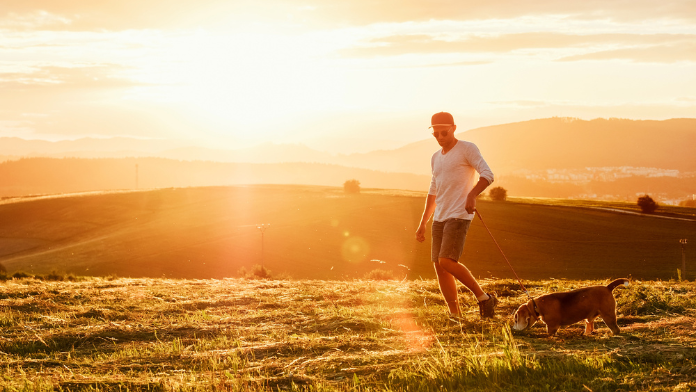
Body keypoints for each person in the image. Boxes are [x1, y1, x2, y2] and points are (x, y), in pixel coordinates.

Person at [415, 112, 498, 319]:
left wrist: (472, 194)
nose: (440, 136)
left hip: (459, 214)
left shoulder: (467, 149)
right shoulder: (435, 157)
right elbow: (433, 191)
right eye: (436, 133)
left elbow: (487, 174)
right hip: (440, 217)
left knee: (446, 261)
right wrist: (423, 222)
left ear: (454, 128)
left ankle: (484, 298)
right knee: (439, 267)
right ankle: (455, 315)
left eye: (444, 132)